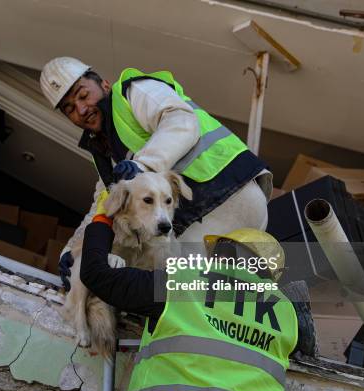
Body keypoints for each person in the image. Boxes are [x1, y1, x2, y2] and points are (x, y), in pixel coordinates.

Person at [39, 57, 273, 290]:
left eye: (83, 95)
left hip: (229, 196)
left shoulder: (132, 93)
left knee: (168, 288)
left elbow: (181, 121)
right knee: (196, 295)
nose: (81, 109)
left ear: (105, 85)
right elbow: (103, 206)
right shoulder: (105, 152)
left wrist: (143, 166)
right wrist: (72, 250)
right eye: (70, 108)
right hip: (204, 217)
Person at [80, 193, 303, 391]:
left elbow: (96, 274)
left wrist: (103, 216)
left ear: (221, 253)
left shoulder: (185, 280)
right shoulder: (286, 313)